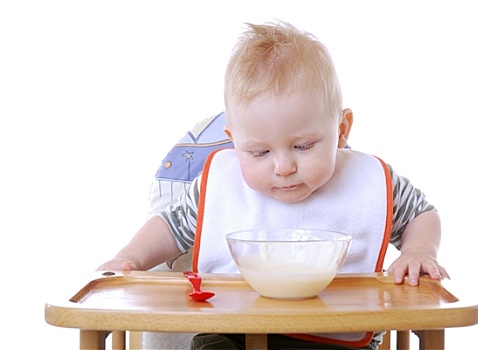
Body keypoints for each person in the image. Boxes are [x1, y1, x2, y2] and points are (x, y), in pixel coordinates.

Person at [98, 21, 449, 350]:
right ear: (234, 144)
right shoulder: (220, 184)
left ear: (341, 130)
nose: (284, 167)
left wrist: (419, 253)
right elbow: (169, 228)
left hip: (336, 339)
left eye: (303, 146)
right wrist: (129, 258)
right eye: (260, 151)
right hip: (233, 333)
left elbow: (422, 214)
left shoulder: (371, 181)